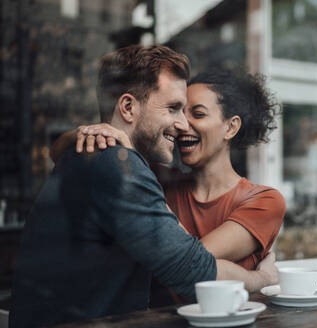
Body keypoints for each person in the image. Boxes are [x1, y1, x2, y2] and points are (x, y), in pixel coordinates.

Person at [9, 45, 278, 328]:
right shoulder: (115, 164)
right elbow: (192, 268)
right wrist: (263, 279)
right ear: (127, 107)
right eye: (174, 108)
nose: (183, 124)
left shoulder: (102, 157)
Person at [53, 69, 286, 271]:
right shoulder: (159, 179)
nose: (182, 125)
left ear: (231, 127)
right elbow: (58, 153)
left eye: (198, 113)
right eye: (179, 112)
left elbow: (191, 259)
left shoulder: (265, 201)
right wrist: (90, 132)